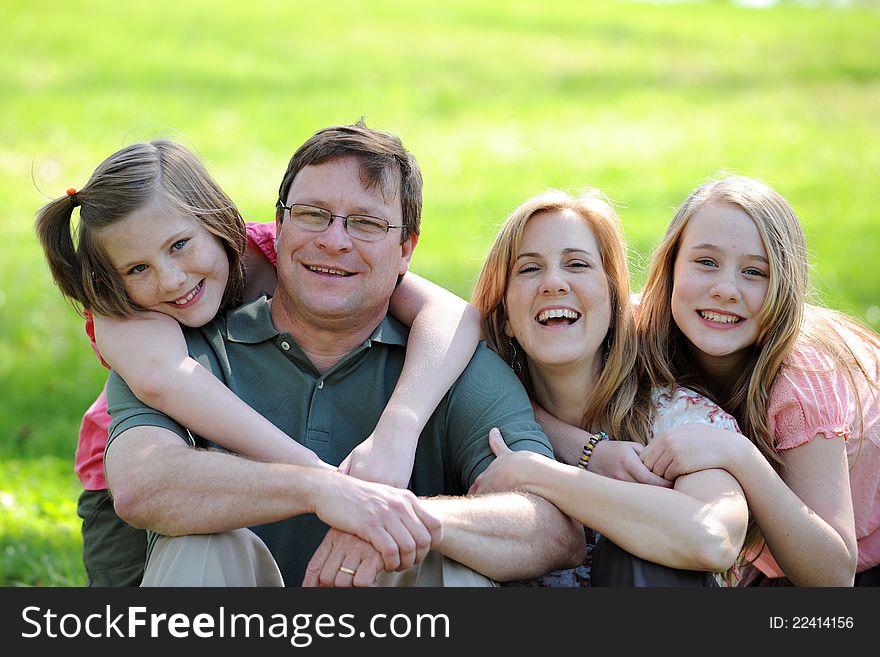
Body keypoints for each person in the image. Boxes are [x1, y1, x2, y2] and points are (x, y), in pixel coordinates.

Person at [99, 121, 585, 587]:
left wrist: (404, 521)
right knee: (201, 548)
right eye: (312, 215)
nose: (334, 241)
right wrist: (321, 490)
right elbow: (142, 483)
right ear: (279, 225)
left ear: (405, 250)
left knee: (453, 566)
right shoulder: (181, 344)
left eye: (367, 224)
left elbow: (552, 529)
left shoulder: (445, 364)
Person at [35, 138, 483, 585]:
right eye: (138, 268)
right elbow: (167, 383)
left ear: (217, 221)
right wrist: (325, 478)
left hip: (270, 445)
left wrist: (397, 432)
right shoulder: (120, 310)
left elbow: (451, 315)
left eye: (179, 246)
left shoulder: (281, 250)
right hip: (149, 470)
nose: (171, 279)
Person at [468, 188, 748, 586]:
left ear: (615, 298)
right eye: (529, 269)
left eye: (577, 264)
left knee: (645, 555)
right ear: (505, 316)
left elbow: (713, 538)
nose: (553, 283)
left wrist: (540, 475)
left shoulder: (680, 419)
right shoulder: (482, 420)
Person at [636, 175, 880, 586]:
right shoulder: (640, 328)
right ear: (671, 265)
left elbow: (835, 576)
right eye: (706, 262)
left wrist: (738, 455)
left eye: (754, 272)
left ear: (784, 288)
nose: (726, 289)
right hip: (774, 555)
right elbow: (498, 318)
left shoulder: (801, 384)